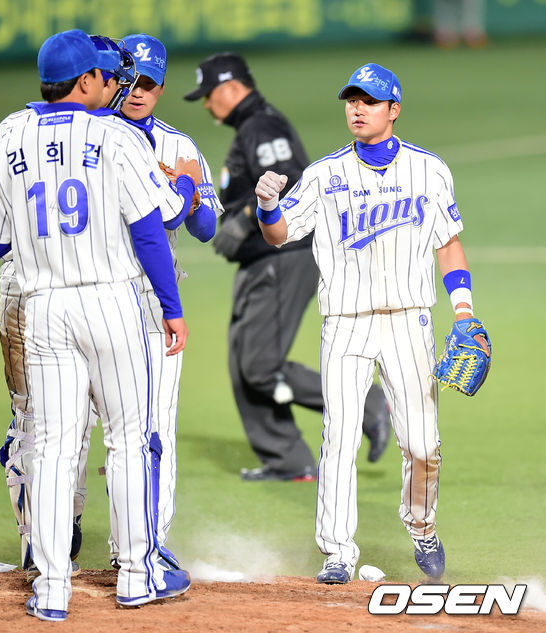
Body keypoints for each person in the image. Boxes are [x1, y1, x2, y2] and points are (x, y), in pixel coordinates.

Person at [0, 36, 201, 581]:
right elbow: (159, 222)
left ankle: (47, 567)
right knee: (130, 436)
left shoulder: (14, 130)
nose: (122, 88)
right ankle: (139, 565)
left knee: (42, 434)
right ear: (90, 80)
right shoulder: (113, 136)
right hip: (110, 298)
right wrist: (183, 186)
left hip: (31, 298)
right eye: (114, 78)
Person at [255, 62, 489, 583]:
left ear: (393, 109)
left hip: (409, 323)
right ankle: (337, 551)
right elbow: (280, 234)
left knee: (423, 445)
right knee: (339, 437)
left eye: (369, 101)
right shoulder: (324, 175)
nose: (357, 109)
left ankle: (422, 526)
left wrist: (464, 311)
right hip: (346, 324)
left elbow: (448, 244)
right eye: (351, 100)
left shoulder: (429, 170)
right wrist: (268, 206)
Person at [183, 53, 391, 481]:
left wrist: (243, 220)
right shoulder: (251, 126)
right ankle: (287, 459)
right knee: (243, 365)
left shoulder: (262, 125)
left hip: (282, 258)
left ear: (232, 88)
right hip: (260, 262)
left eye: (209, 94)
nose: (205, 104)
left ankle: (368, 402)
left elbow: (289, 178)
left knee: (259, 366)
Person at [100, 32, 222, 566]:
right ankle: (59, 541)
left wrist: (189, 193)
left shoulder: (179, 146)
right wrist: (174, 192)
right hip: (95, 294)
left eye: (148, 84)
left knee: (155, 427)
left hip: (154, 300)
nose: (137, 92)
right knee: (79, 429)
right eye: (130, 81)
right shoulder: (93, 134)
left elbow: (206, 228)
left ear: (162, 88)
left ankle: (148, 543)